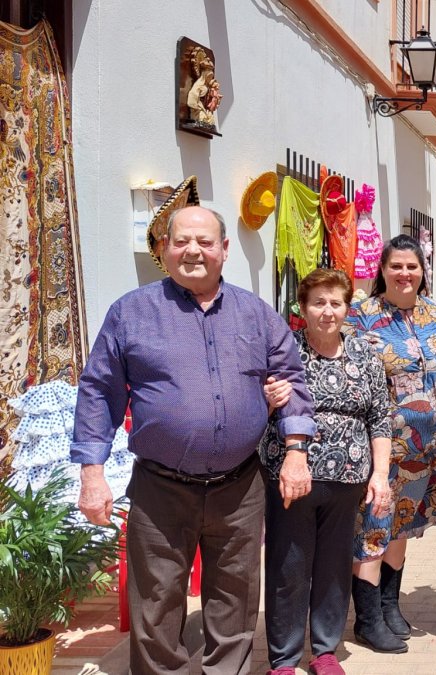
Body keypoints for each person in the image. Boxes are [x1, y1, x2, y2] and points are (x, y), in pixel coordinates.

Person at [71, 206, 315, 675]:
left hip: (239, 490)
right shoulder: (131, 313)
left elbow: (291, 378)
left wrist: (297, 452)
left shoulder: (257, 314)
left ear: (225, 250)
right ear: (164, 249)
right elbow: (98, 390)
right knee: (156, 608)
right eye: (182, 241)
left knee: (236, 604)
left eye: (205, 242)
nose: (193, 251)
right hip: (160, 491)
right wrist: (92, 473)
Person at [259, 269, 395, 674]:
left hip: (349, 479)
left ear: (347, 308)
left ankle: (324, 651)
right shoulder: (285, 353)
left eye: (335, 302)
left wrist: (380, 474)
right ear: (302, 308)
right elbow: (256, 413)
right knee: (288, 566)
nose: (327, 311)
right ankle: (283, 658)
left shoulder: (365, 355)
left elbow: (380, 418)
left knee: (334, 565)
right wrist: (266, 400)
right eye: (318, 302)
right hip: (291, 477)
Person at [346, 234, 436, 651]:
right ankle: (367, 618)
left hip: (425, 450)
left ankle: (390, 607)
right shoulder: (361, 316)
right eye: (397, 266)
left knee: (403, 524)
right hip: (380, 450)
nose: (405, 274)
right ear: (383, 270)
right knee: (374, 527)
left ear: (422, 271)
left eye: (412, 266)